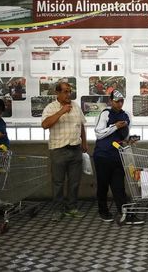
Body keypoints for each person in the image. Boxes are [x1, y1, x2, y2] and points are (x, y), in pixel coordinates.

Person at [93, 90, 144, 224]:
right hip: (103, 155)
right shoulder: (105, 113)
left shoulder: (126, 115)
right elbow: (99, 133)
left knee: (119, 186)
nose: (119, 103)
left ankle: (125, 213)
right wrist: (114, 127)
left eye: (121, 101)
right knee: (103, 185)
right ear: (110, 101)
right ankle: (103, 210)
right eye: (116, 101)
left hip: (118, 156)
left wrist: (129, 140)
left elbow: (125, 135)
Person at [41, 82, 88, 221]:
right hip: (58, 150)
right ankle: (57, 210)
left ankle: (71, 207)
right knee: (58, 182)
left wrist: (84, 142)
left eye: (70, 92)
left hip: (75, 149)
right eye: (66, 92)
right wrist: (61, 111)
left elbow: (82, 126)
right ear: (58, 93)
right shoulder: (51, 107)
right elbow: (45, 124)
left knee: (74, 182)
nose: (69, 94)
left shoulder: (76, 106)